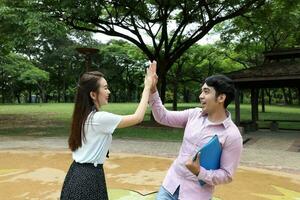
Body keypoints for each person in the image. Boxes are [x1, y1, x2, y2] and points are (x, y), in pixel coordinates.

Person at [60, 61, 157, 200]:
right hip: (88, 178)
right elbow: (138, 117)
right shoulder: (99, 118)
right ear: (93, 94)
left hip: (76, 174)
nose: (108, 91)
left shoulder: (83, 116)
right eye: (105, 88)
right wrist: (147, 87)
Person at [149, 74, 243, 200]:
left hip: (196, 195)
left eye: (206, 91)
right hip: (170, 185)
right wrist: (153, 90)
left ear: (221, 97)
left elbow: (227, 175)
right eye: (201, 91)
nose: (201, 96)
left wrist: (199, 172)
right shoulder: (193, 115)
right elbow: (162, 116)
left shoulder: (232, 135)